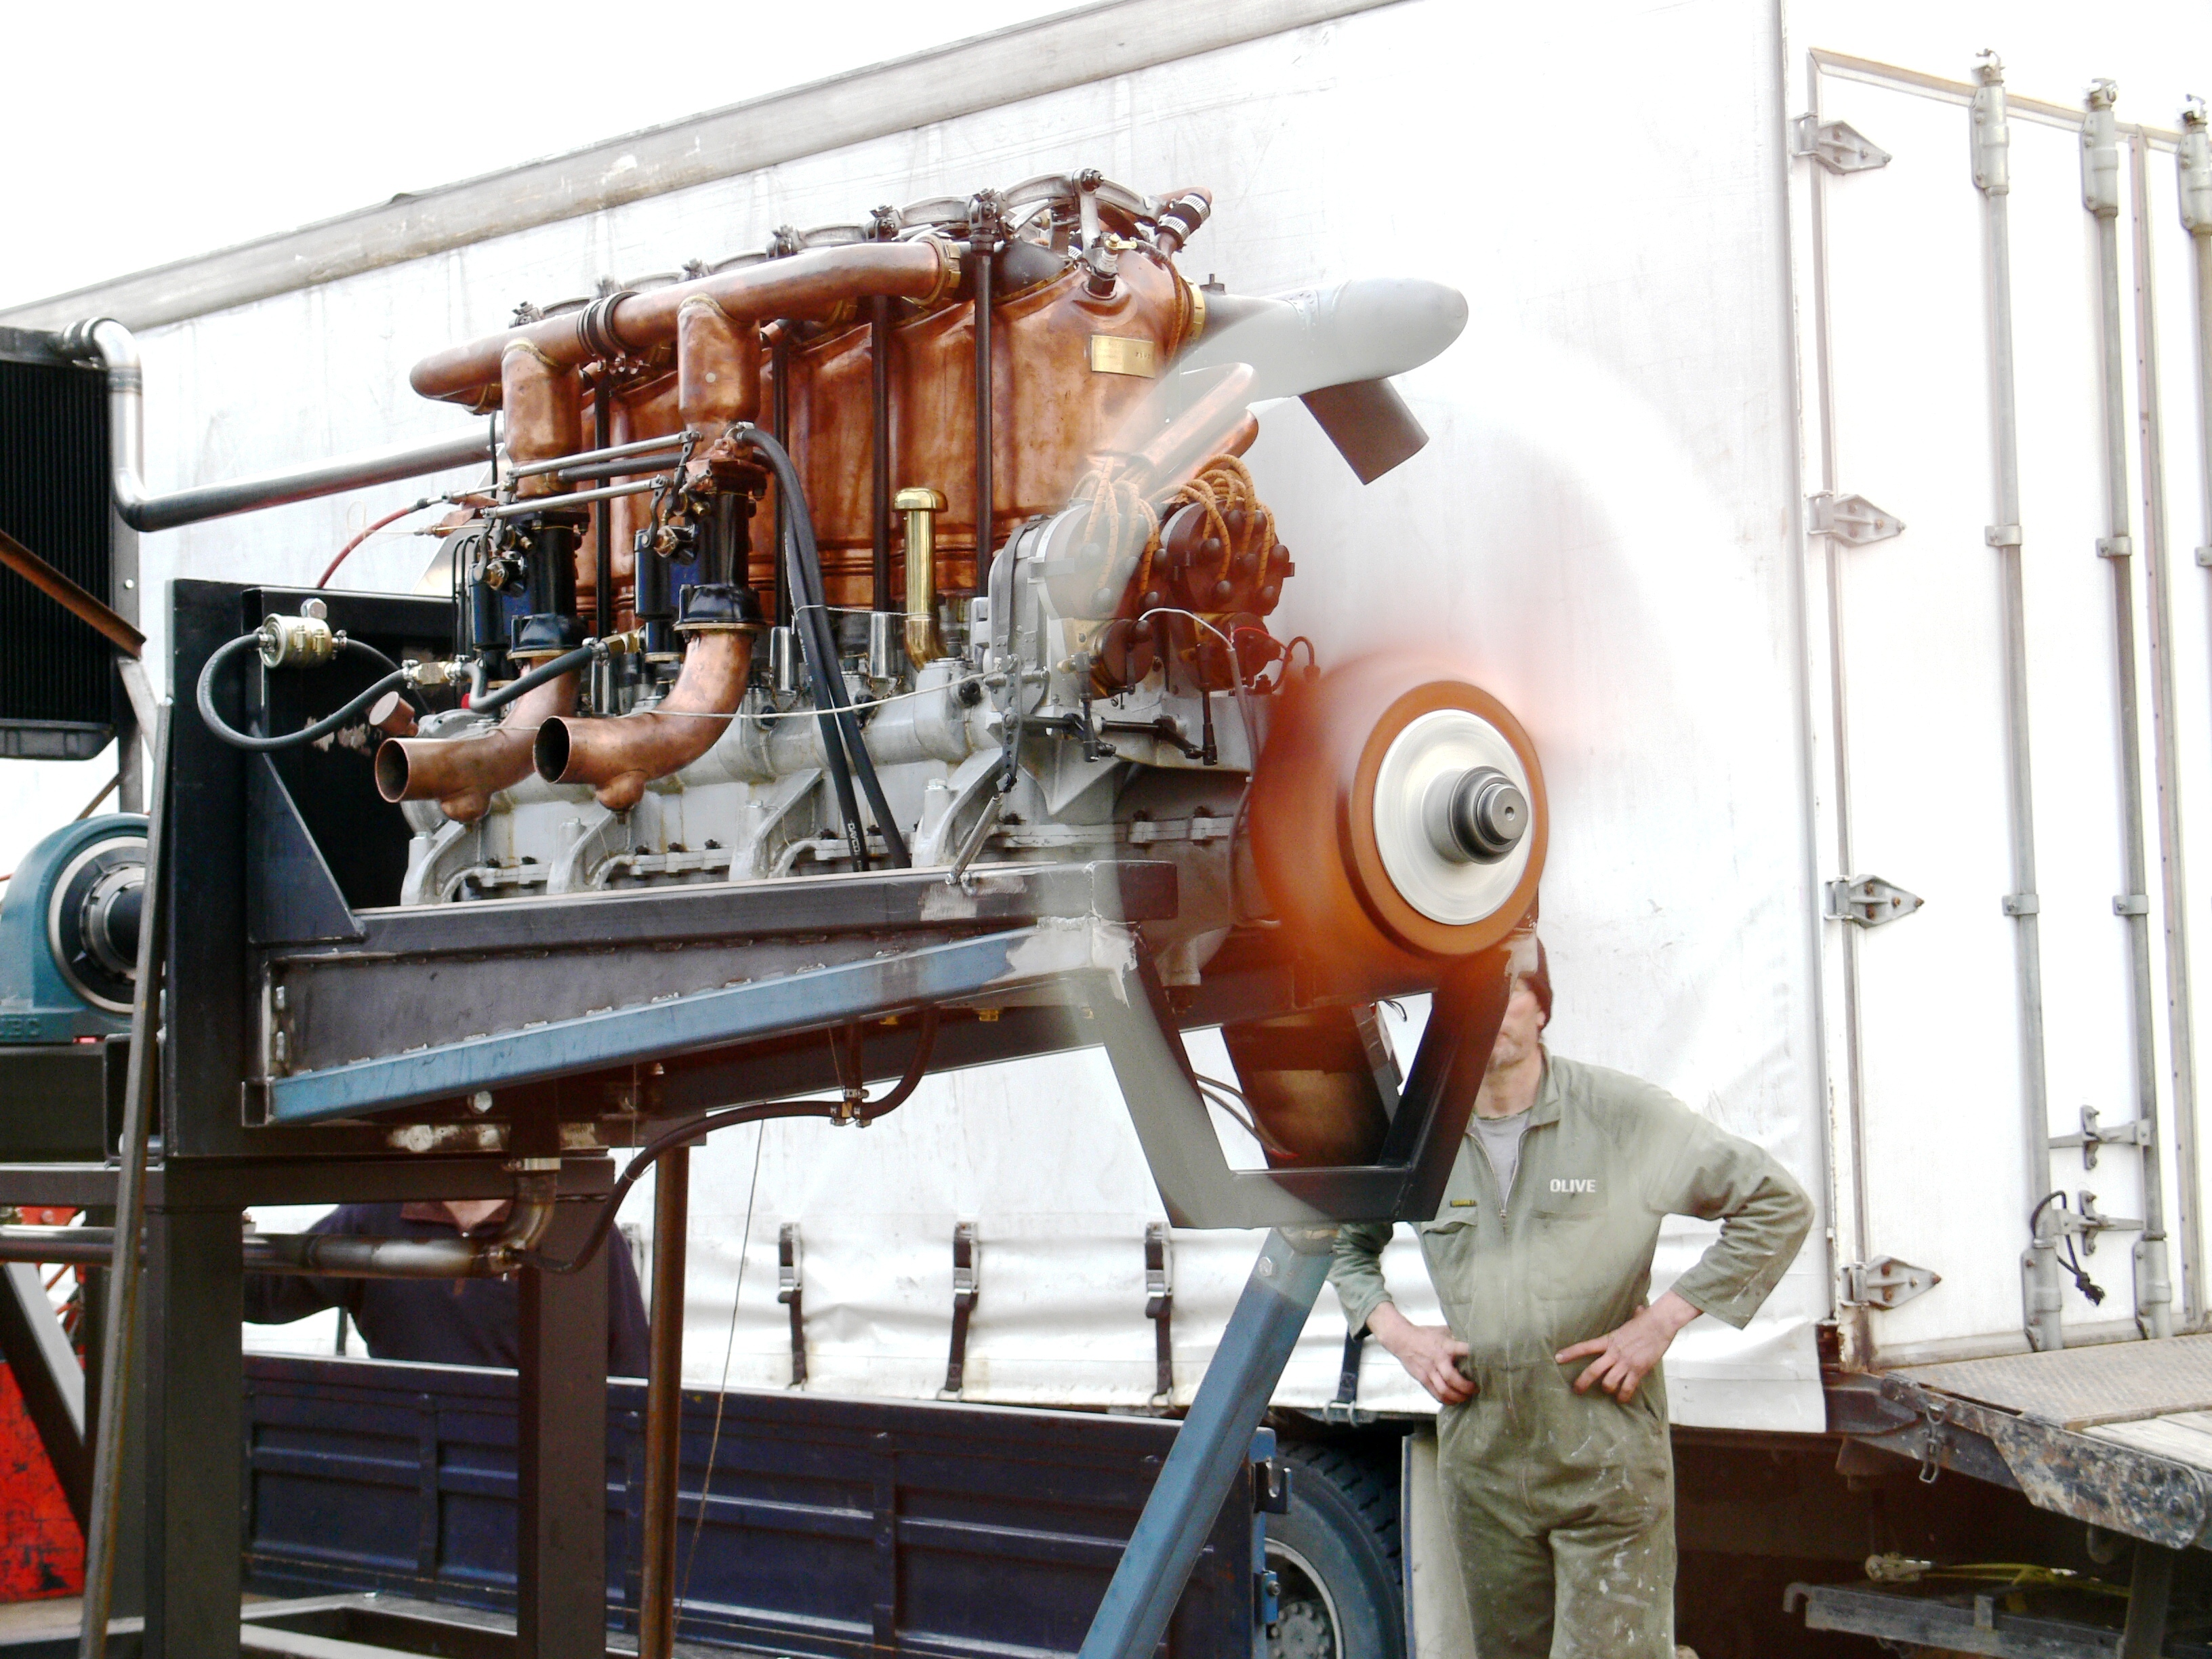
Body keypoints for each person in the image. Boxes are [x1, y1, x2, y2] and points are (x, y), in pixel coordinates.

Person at [1330, 930, 1812, 1658]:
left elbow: (1776, 1204)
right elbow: (1343, 1242)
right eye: (1466, 996)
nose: (1488, 1011)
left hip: (1605, 1460)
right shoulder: (1417, 1133)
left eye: (1509, 991)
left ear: (1543, 1008)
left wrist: (1662, 1322)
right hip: (1484, 1467)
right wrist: (1402, 1337)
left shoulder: (1620, 1116)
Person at [244, 1197, 651, 1376]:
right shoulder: (372, 1217)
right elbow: (263, 1296)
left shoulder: (581, 1228)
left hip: (539, 1473)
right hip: (404, 1461)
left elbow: (630, 1367)